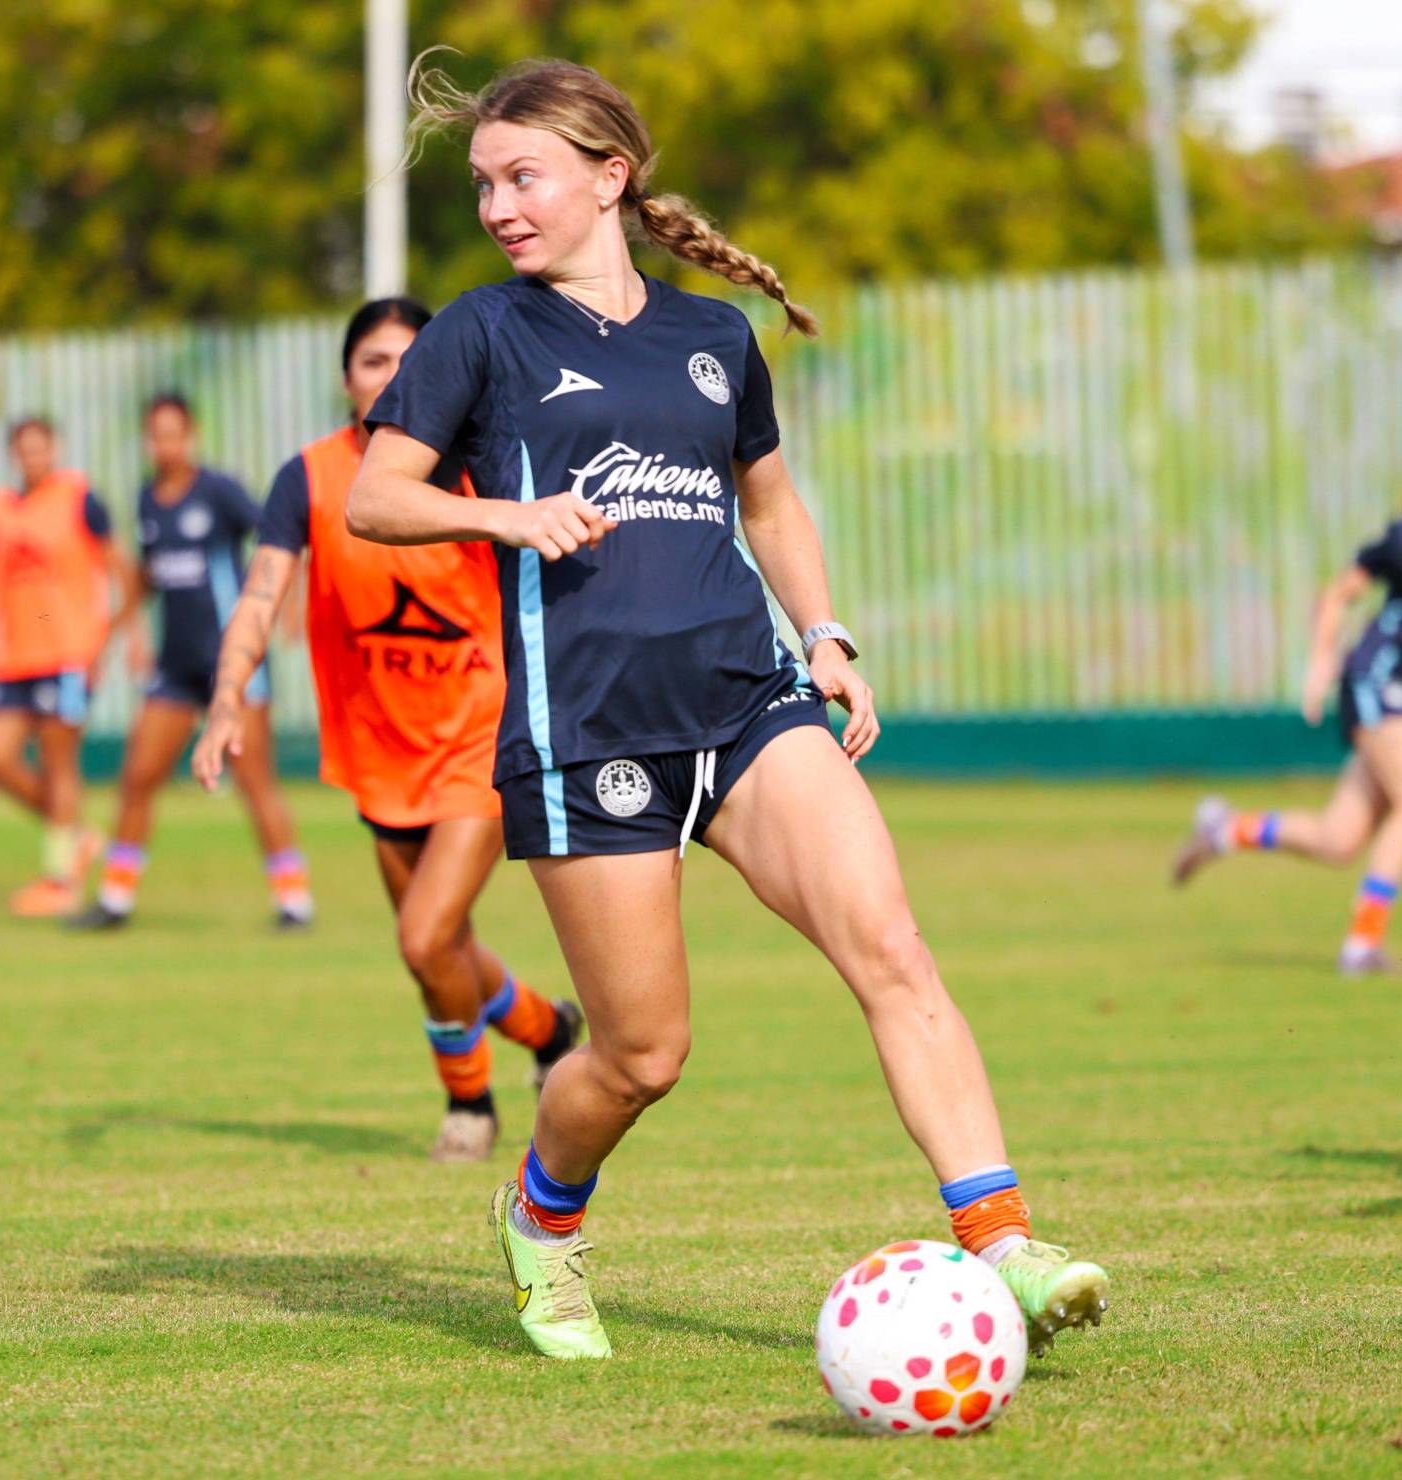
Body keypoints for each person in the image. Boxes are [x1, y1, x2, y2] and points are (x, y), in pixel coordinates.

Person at [344, 57, 1109, 1360]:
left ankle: (1005, 1248)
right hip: (587, 732)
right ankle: (540, 1217)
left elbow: (770, 504)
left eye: (522, 177)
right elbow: (376, 496)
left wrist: (826, 636)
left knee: (893, 949)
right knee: (642, 1057)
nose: (497, 208)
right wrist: (505, 515)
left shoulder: (710, 340)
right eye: (482, 185)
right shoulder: (479, 332)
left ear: (609, 176)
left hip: (748, 703)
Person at [192, 298, 583, 1163]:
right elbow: (260, 594)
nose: (392, 377)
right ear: (346, 378)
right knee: (440, 948)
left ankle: (470, 1106)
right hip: (380, 750)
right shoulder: (310, 478)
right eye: (374, 361)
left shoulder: (480, 467)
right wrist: (225, 697)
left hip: (480, 740)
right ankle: (548, 1029)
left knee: (424, 936)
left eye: (410, 360)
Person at [1174, 427, 1402, 974]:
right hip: (1376, 682)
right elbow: (1338, 595)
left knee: (1338, 840)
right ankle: (1362, 944)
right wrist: (1320, 660)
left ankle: (1225, 830)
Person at [67, 394, 313, 931]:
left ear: (191, 435)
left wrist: (292, 605)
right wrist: (115, 636)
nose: (166, 445)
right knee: (138, 776)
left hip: (235, 666)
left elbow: (280, 545)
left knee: (255, 780)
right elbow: (149, 578)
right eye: (156, 435)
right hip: (175, 669)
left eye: (174, 434)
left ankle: (294, 900)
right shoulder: (147, 500)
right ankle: (115, 898)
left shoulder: (219, 491)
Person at [0, 417, 135, 917]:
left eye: (40, 448)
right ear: (13, 455)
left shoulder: (80, 498)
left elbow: (122, 570)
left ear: (55, 449)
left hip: (67, 649)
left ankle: (60, 879)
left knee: (58, 761)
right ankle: (76, 833)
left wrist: (123, 638)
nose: (33, 457)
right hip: (15, 654)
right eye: (24, 449)